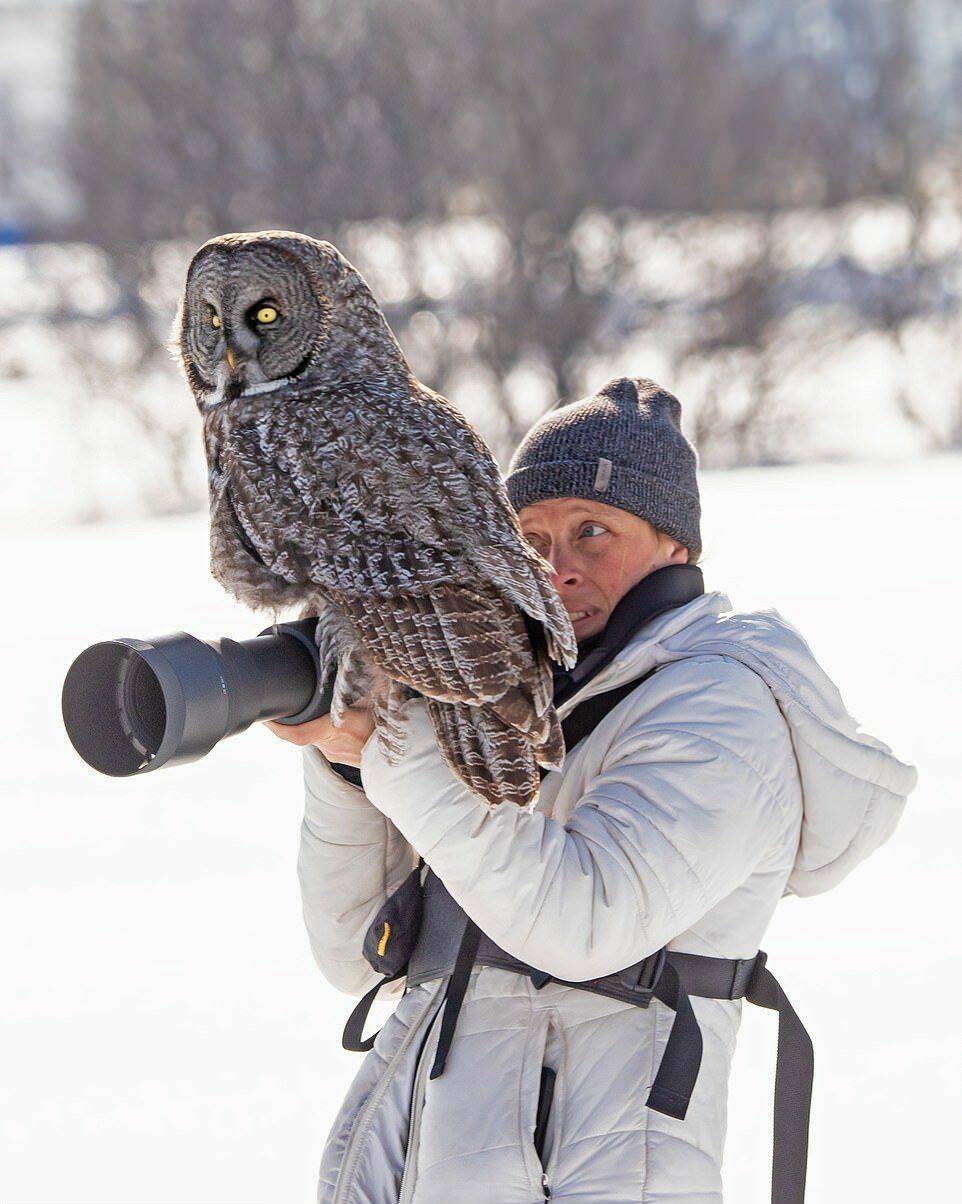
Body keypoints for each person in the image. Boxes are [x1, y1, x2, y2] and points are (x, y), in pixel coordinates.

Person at [267, 376, 917, 1203]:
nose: (557, 568)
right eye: (530, 539)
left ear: (673, 547)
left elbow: (585, 920)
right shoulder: (510, 703)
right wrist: (348, 765)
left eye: (592, 532)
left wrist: (399, 752)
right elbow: (359, 952)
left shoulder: (723, 706)